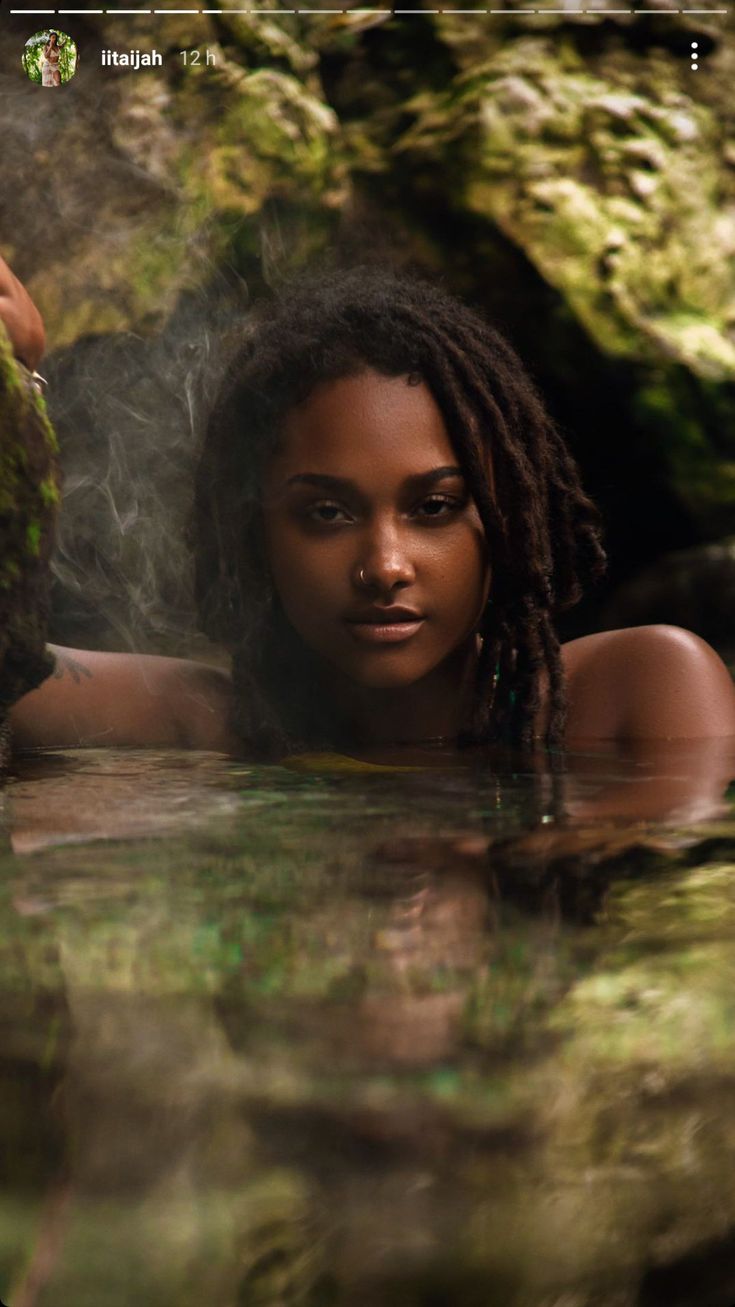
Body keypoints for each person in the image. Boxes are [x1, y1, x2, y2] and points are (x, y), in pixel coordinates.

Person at [4, 257, 735, 772]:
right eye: (325, 512)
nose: (383, 565)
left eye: (434, 507)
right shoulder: (214, 722)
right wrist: (19, 386)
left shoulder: (636, 693)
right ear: (253, 534)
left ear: (508, 515)